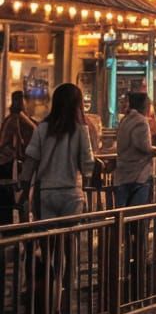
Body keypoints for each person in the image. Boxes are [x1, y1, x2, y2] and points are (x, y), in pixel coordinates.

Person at [18, 82, 94, 220]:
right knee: (70, 237)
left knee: (47, 237)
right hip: (72, 191)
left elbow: (31, 160)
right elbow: (87, 162)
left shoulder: (42, 128)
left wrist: (24, 184)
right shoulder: (81, 129)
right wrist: (88, 177)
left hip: (46, 192)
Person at [113, 92, 156, 210]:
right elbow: (143, 145)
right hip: (139, 175)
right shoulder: (141, 121)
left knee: (122, 215)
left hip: (123, 173)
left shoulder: (124, 120)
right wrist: (154, 149)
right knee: (137, 216)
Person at [0, 89, 37, 225]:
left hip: (15, 164)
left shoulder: (15, 120)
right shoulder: (15, 120)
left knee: (15, 202)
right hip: (10, 165)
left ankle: (14, 233)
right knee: (14, 202)